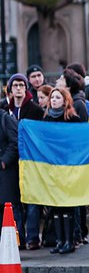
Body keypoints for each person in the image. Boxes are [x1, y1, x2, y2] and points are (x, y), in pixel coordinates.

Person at [4, 74, 44, 249]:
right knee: (15, 202)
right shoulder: (5, 109)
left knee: (32, 200)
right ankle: (18, 238)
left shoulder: (35, 110)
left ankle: (33, 238)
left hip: (31, 161)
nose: (18, 88)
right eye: (15, 85)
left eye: (21, 85)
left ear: (26, 88)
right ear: (10, 89)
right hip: (13, 162)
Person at [43, 87, 82, 254]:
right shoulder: (46, 119)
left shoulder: (73, 119)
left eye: (57, 97)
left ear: (65, 100)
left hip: (68, 166)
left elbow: (78, 141)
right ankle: (59, 240)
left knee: (67, 205)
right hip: (52, 167)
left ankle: (69, 241)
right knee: (55, 205)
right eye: (52, 97)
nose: (54, 100)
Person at [0, 102, 22, 248]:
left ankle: (14, 244)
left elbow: (15, 142)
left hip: (6, 173)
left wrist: (4, 161)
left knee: (8, 209)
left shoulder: (5, 119)